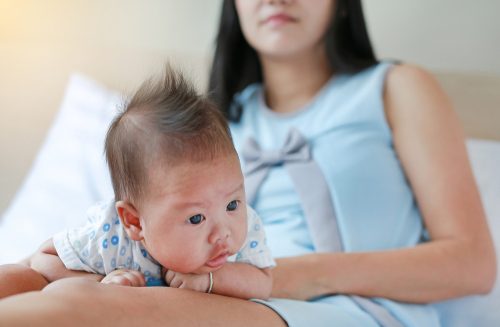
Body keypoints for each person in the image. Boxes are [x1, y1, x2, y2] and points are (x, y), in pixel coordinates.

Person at [0, 0, 496, 326]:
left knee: (91, 310)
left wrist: (296, 275)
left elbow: (473, 265)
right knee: (28, 276)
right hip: (214, 290)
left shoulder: (393, 88)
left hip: (341, 308)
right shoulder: (213, 124)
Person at [1, 65, 275, 301]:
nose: (222, 233)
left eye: (232, 203)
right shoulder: (112, 240)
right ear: (134, 222)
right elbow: (44, 259)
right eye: (195, 218)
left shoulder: (243, 228)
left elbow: (263, 282)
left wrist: (212, 281)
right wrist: (100, 283)